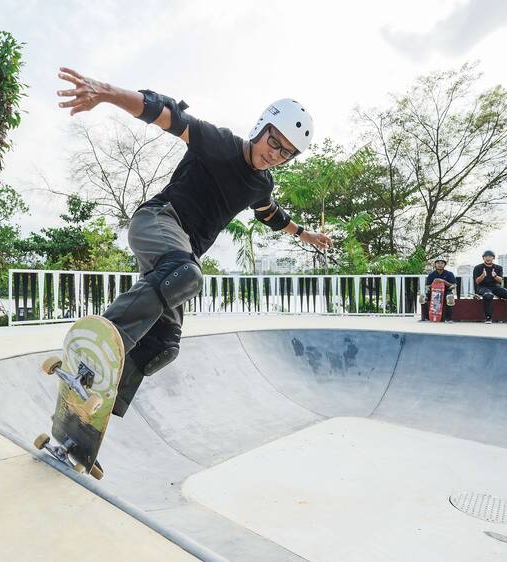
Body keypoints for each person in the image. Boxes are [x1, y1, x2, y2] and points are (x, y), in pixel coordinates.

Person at [56, 67, 332, 416]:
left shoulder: (262, 184)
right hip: (158, 219)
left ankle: (92, 407)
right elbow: (168, 114)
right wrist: (108, 92)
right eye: (274, 142)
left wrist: (306, 235)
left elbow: (269, 213)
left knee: (164, 344)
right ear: (261, 128)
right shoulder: (222, 145)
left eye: (286, 153)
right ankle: (95, 348)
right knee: (186, 274)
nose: (275, 154)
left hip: (179, 252)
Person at [472, 250, 507, 324]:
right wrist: (483, 275)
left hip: (495, 287)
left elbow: (500, 280)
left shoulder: (498, 267)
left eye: (490, 256)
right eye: (485, 256)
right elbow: (477, 282)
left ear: (493, 258)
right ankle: (488, 318)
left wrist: (495, 276)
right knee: (488, 295)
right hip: (482, 287)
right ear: (483, 258)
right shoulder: (478, 267)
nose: (487, 258)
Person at [421, 258, 456, 322]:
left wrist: (443, 281)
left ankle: (448, 319)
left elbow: (453, 285)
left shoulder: (449, 274)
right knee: (422, 297)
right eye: (438, 263)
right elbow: (427, 287)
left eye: (442, 263)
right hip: (433, 292)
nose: (440, 265)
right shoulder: (431, 274)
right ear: (435, 264)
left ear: (444, 265)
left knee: (450, 298)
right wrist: (434, 283)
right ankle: (426, 318)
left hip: (446, 292)